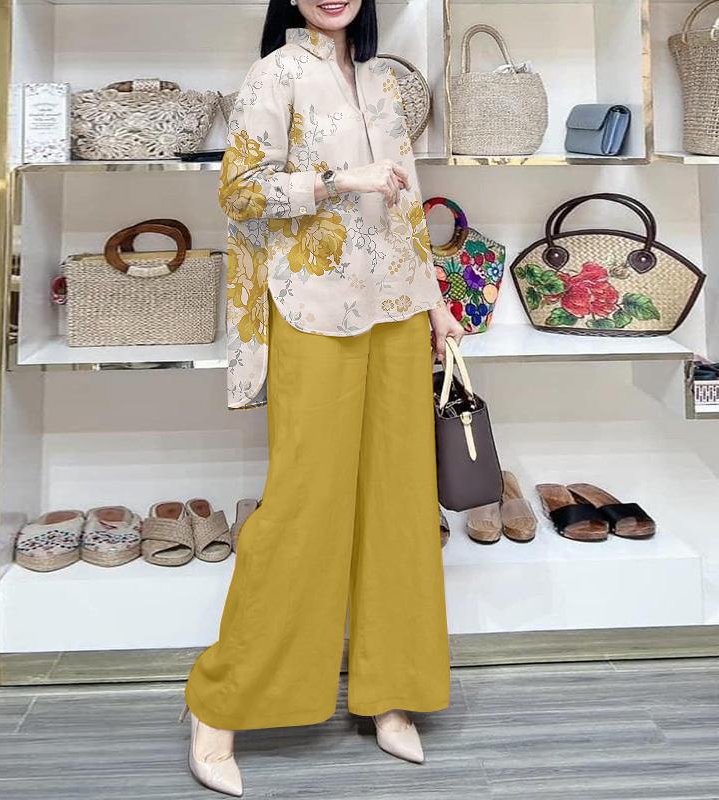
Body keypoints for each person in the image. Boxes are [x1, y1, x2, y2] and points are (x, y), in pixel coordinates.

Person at [184, 0, 464, 794]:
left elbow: (406, 207)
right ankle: (219, 706)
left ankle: (390, 693)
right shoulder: (273, 74)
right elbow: (239, 193)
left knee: (399, 506)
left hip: (396, 312)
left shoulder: (384, 83)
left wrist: (435, 303)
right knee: (304, 506)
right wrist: (341, 180)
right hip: (312, 310)